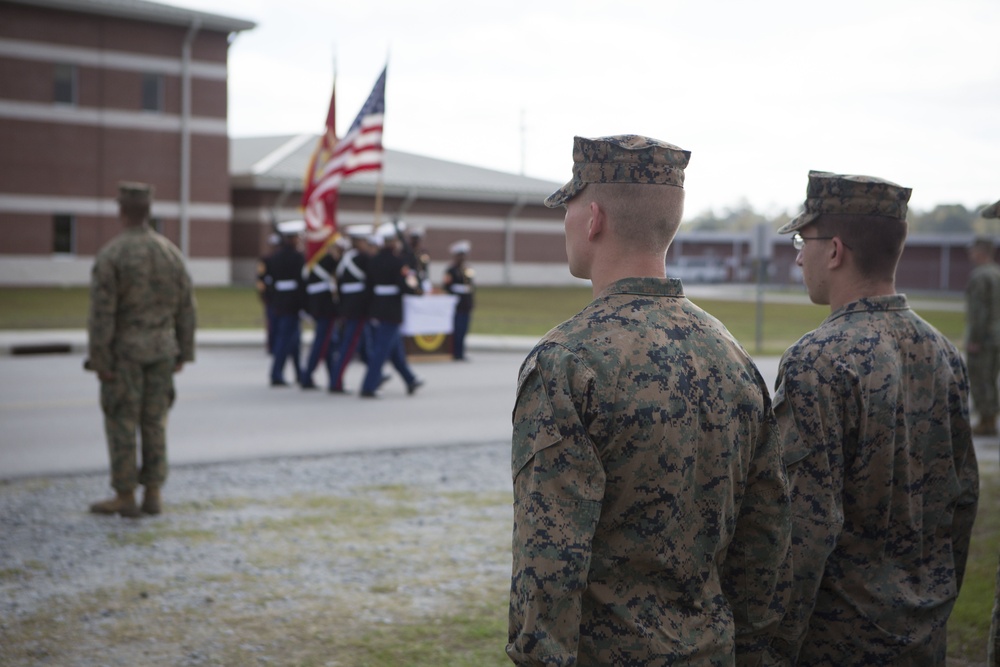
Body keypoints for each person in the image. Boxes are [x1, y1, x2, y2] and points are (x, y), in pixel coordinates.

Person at [508, 135, 791, 666]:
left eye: (568, 205)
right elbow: (766, 537)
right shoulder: (732, 355)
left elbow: (549, 561)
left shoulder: (568, 360)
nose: (565, 219)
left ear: (592, 218)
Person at [770, 171, 980, 665]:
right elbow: (962, 498)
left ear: (836, 250)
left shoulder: (817, 360)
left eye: (804, 240)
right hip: (924, 636)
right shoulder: (942, 351)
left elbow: (804, 527)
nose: (799, 255)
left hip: (838, 642)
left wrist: (773, 647)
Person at [86, 182, 196, 517]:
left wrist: (100, 358)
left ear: (122, 211)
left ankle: (124, 495)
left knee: (122, 421)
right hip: (162, 351)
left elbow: (102, 314)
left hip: (125, 354)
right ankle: (153, 493)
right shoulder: (170, 253)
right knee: (154, 422)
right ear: (149, 212)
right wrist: (183, 353)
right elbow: (186, 308)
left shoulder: (112, 255)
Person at [360, 223, 424, 398]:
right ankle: (368, 386)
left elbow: (369, 285)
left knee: (395, 349)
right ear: (394, 242)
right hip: (392, 309)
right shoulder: (398, 262)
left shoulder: (374, 260)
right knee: (381, 350)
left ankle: (410, 379)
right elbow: (406, 285)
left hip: (377, 307)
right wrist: (416, 286)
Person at [262, 220, 306, 387]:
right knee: (285, 339)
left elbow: (270, 281)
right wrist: (304, 305)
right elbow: (300, 282)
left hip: (279, 301)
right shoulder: (298, 257)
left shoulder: (275, 256)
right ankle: (276, 373)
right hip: (292, 302)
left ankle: (298, 372)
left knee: (294, 340)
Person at [329, 226, 372, 394]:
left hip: (347, 306)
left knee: (364, 343)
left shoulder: (345, 258)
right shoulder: (364, 258)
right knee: (349, 345)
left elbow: (338, 285)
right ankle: (336, 381)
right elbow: (370, 284)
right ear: (359, 241)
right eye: (365, 241)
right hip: (359, 308)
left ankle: (375, 373)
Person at [966, 233, 1000, 435]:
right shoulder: (997, 273)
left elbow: (979, 311)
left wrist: (975, 339)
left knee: (980, 377)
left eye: (973, 250)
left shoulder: (980, 276)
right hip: (997, 336)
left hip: (985, 337)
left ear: (980, 252)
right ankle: (991, 418)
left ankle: (986, 421)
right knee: (992, 378)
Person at [301, 242, 342, 390]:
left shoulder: (317, 260)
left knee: (330, 344)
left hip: (320, 308)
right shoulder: (327, 260)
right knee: (321, 344)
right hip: (326, 309)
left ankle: (333, 377)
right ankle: (307, 376)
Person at [443, 240, 474, 361]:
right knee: (457, 329)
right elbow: (447, 286)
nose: (463, 257)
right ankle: (455, 352)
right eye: (460, 255)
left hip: (465, 303)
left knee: (464, 329)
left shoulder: (467, 269)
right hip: (456, 304)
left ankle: (461, 352)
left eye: (464, 255)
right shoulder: (451, 270)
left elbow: (470, 287)